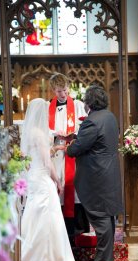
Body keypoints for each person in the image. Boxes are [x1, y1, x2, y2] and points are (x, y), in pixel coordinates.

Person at [66, 85, 124, 261]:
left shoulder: (91, 121)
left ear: (89, 102)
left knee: (99, 216)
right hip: (109, 171)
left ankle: (102, 260)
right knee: (107, 216)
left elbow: (77, 148)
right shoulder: (109, 116)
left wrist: (69, 146)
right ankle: (105, 257)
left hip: (96, 175)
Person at [20, 98, 76, 261]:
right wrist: (57, 180)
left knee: (32, 215)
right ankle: (48, 259)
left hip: (32, 177)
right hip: (42, 178)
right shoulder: (39, 134)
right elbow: (46, 162)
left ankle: (28, 255)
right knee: (49, 216)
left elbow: (28, 158)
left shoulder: (28, 133)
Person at [49, 72, 90, 245]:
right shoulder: (48, 108)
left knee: (75, 191)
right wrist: (56, 135)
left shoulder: (78, 105)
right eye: (59, 91)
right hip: (57, 155)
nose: (63, 94)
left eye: (65, 90)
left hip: (73, 152)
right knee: (60, 188)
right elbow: (45, 129)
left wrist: (73, 136)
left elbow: (86, 126)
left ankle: (77, 230)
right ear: (53, 90)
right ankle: (61, 233)